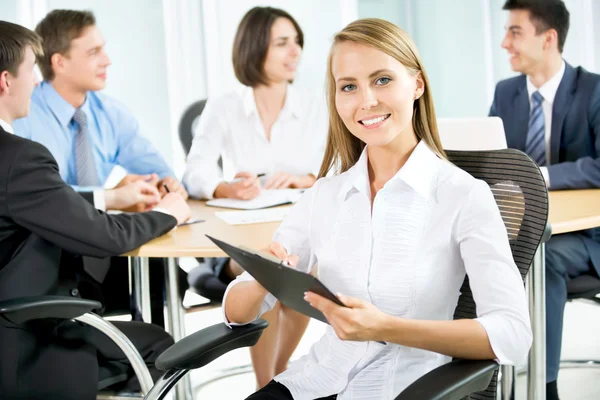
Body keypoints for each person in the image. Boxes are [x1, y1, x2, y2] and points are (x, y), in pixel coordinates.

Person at [224, 18, 533, 399]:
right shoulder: (325, 194)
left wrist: (384, 328)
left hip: (406, 388)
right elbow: (239, 313)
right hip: (311, 383)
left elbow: (513, 335)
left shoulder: (464, 195)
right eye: (348, 87)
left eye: (382, 79)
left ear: (417, 84)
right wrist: (258, 276)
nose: (366, 100)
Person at [0, 21, 191, 400]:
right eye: (30, 70)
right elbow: (104, 237)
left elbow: (31, 204)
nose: (36, 82)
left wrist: (109, 199)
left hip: (15, 310)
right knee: (161, 346)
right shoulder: (19, 156)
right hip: (23, 337)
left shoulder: (17, 159)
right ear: (5, 81)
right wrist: (169, 214)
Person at [183, 6, 328, 388]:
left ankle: (275, 378)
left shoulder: (316, 105)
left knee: (295, 268)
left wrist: (307, 177)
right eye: (283, 42)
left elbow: (339, 168)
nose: (295, 51)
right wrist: (225, 187)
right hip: (242, 240)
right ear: (254, 47)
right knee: (267, 269)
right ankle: (270, 385)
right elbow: (195, 171)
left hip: (298, 236)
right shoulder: (226, 105)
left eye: (297, 42)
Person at [489, 1, 600, 398]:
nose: (505, 42)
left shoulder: (593, 90)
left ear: (548, 38)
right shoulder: (506, 94)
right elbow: (491, 161)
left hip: (587, 236)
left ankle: (544, 386)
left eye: (515, 32)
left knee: (544, 256)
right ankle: (480, 380)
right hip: (523, 226)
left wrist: (542, 177)